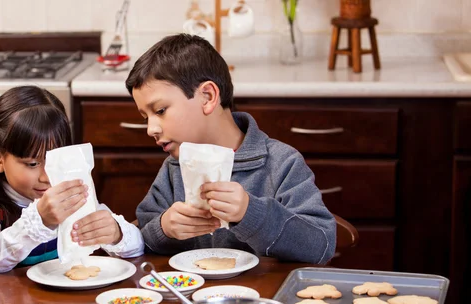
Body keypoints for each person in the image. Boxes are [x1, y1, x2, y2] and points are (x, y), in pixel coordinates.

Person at [125, 34, 336, 264]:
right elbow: (141, 240)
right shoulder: (172, 169)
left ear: (207, 97)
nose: (150, 129)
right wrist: (164, 228)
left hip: (264, 296)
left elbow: (320, 246)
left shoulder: (281, 163)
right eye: (145, 117)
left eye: (160, 110)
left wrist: (250, 212)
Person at [0, 86, 143, 277]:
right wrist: (40, 220)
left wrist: (116, 234)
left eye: (55, 160)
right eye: (32, 163)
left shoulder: (69, 197)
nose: (46, 177)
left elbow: (137, 247)